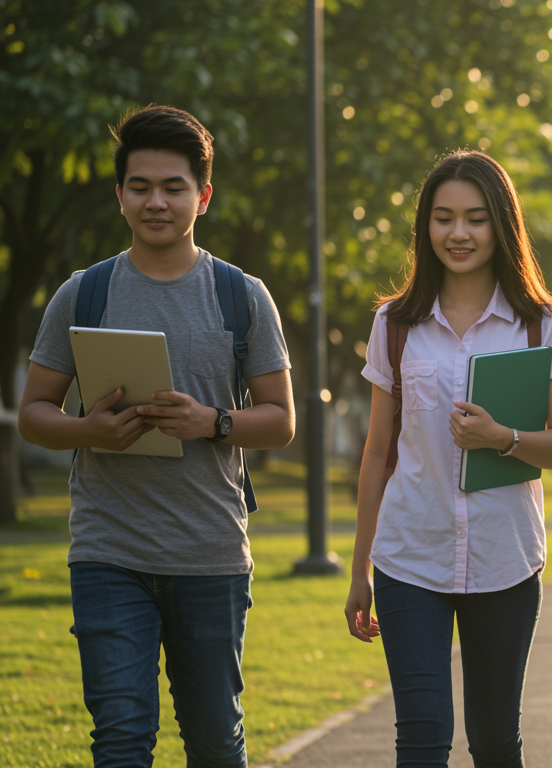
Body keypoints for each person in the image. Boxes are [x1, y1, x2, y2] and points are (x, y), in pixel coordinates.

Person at [17, 105, 295, 767]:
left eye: (173, 187)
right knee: (120, 739)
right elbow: (33, 413)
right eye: (140, 186)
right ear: (119, 196)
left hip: (211, 555)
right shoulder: (83, 294)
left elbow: (281, 420)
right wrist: (90, 431)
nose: (156, 201)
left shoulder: (242, 295)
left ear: (202, 195)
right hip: (108, 551)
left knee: (215, 743)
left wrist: (215, 423)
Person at [343, 150, 552, 767]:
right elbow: (377, 453)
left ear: (502, 225)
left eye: (475, 218)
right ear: (426, 227)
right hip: (408, 556)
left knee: (496, 742)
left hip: (505, 557)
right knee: (421, 738)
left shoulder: (539, 324)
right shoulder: (395, 324)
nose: (459, 233)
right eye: (444, 218)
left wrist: (503, 437)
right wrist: (359, 568)